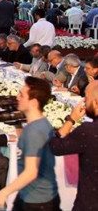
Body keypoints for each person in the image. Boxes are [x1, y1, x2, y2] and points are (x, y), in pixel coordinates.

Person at [0, 77, 59, 210]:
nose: (17, 97)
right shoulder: (39, 124)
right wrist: (17, 124)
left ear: (34, 102)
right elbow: (28, 145)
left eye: (22, 95)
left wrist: (3, 192)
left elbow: (31, 172)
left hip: (36, 201)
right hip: (32, 195)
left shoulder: (35, 131)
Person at [49, 80, 98, 211]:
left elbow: (55, 146)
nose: (84, 102)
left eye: (86, 98)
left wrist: (71, 119)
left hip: (89, 203)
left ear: (96, 103)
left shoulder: (88, 131)